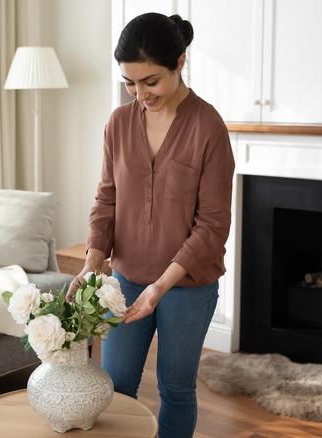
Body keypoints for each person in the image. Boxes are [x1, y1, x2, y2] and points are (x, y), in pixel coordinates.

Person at [66, 12, 235, 438]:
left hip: (187, 286)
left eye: (151, 81)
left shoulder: (208, 126)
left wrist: (161, 285)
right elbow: (107, 199)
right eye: (130, 83)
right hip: (124, 280)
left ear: (180, 63)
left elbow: (213, 224)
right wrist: (91, 264)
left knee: (175, 389)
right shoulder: (119, 123)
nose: (140, 94)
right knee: (117, 389)